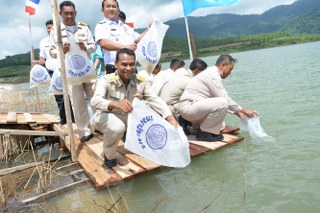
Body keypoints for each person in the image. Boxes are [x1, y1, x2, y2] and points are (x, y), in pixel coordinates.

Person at [90, 48, 179, 168]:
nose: (128, 68)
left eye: (131, 64)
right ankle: (109, 155)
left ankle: (138, 143)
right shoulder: (105, 80)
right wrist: (114, 104)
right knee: (117, 128)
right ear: (116, 64)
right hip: (107, 116)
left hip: (130, 117)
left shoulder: (141, 81)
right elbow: (94, 101)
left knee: (155, 117)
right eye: (124, 64)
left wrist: (169, 117)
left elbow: (154, 99)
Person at [179, 54, 258, 142]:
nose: (230, 73)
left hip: (194, 108)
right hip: (189, 108)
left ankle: (198, 129)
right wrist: (243, 110)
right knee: (223, 101)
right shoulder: (213, 75)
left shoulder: (211, 73)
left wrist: (238, 112)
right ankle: (204, 133)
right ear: (223, 65)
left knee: (221, 125)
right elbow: (224, 99)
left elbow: (217, 100)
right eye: (230, 69)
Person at [50, 1, 96, 143]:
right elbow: (51, 52)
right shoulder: (55, 31)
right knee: (78, 103)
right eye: (66, 13)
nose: (69, 16)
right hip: (70, 72)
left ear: (75, 13)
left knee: (96, 98)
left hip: (87, 70)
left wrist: (86, 47)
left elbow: (93, 46)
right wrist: (61, 50)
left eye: (72, 13)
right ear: (60, 14)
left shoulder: (84, 28)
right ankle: (85, 131)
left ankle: (100, 125)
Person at [33, 19, 74, 125]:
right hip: (52, 72)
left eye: (52, 27)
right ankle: (63, 118)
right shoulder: (43, 42)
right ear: (46, 29)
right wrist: (38, 62)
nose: (50, 29)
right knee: (59, 97)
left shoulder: (64, 38)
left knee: (71, 94)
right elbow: (43, 58)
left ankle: (74, 118)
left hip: (66, 71)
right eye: (48, 27)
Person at [95, 0, 149, 74]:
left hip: (131, 68)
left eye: (114, 6)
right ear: (102, 9)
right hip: (114, 69)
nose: (111, 9)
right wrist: (125, 47)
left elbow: (138, 39)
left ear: (118, 10)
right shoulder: (101, 26)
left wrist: (149, 28)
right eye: (108, 6)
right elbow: (104, 43)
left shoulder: (126, 26)